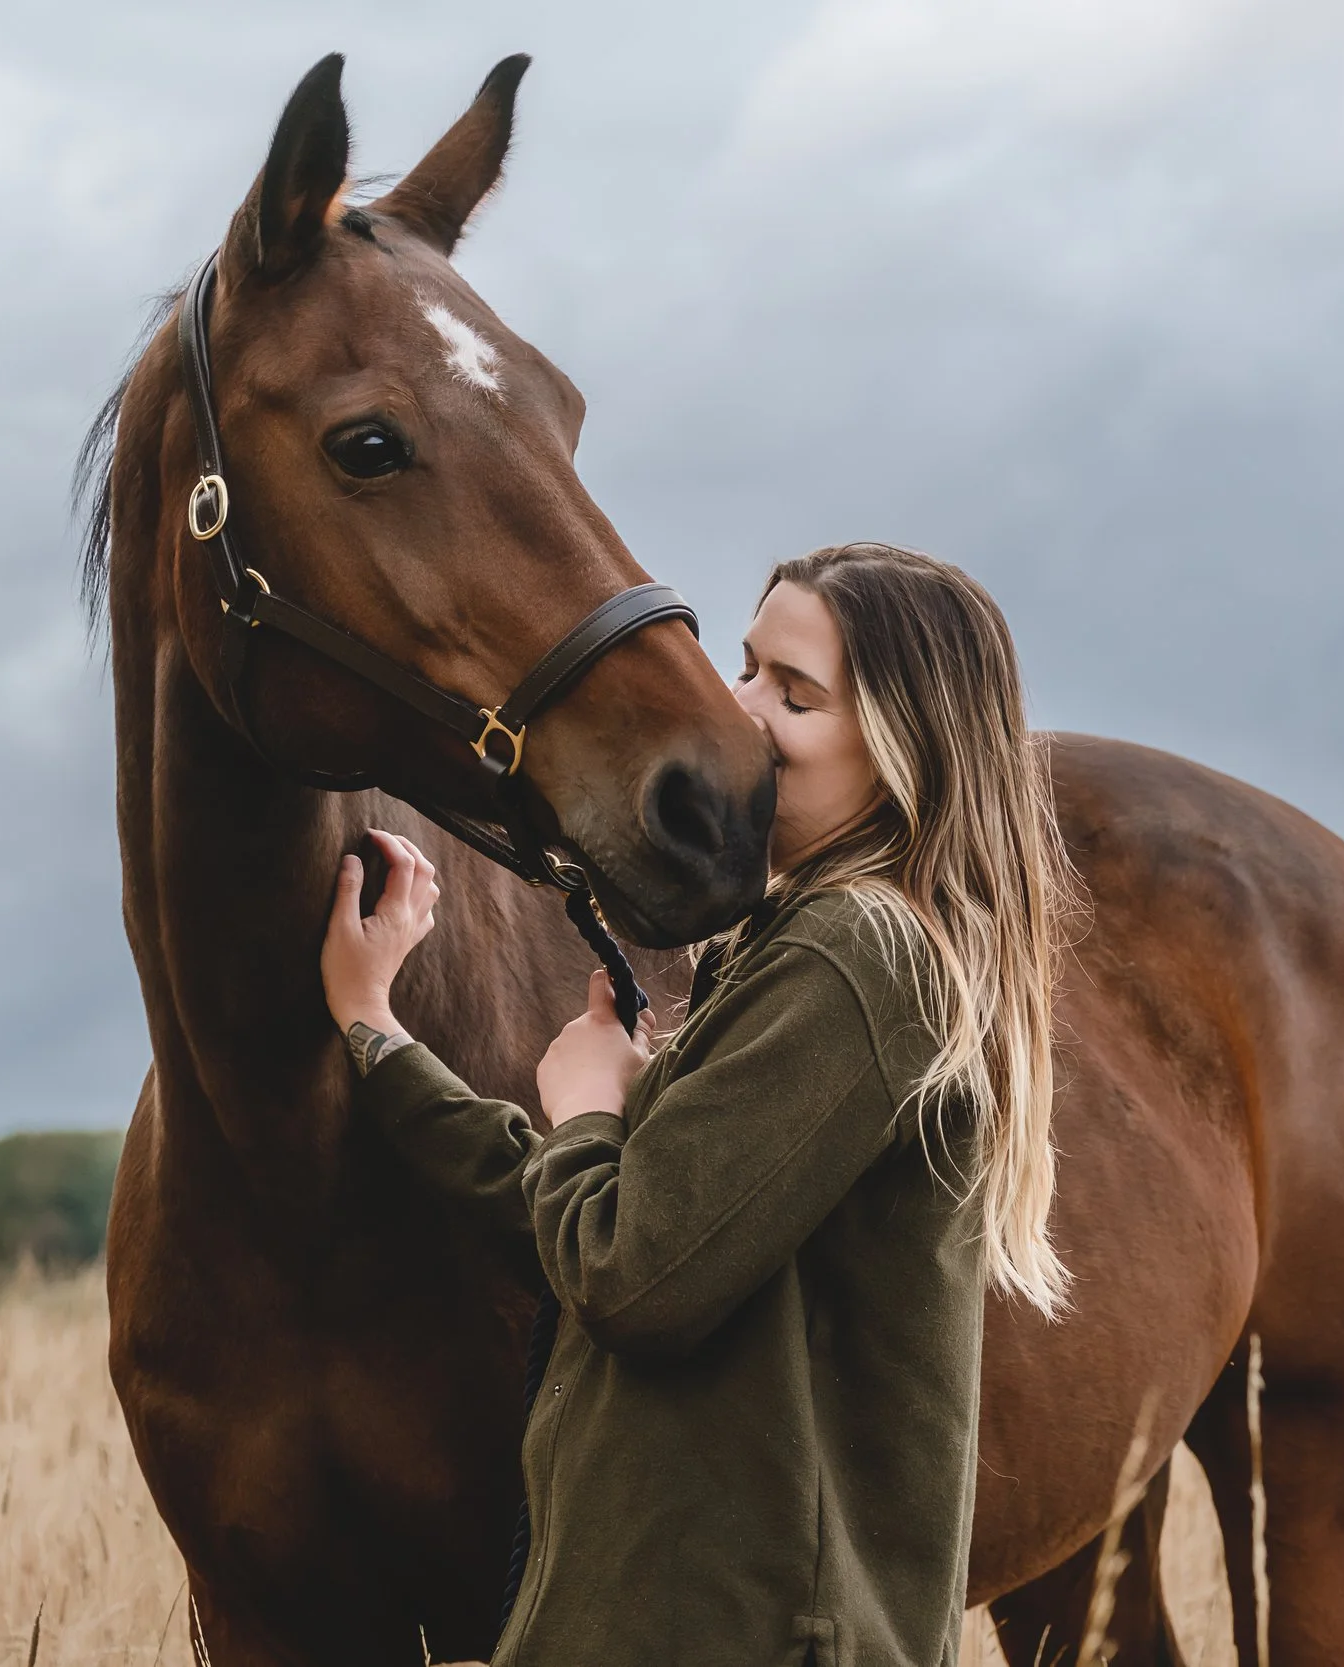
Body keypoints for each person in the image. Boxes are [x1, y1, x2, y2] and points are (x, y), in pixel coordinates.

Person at [320, 543, 1078, 1667]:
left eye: (795, 691)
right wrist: (378, 1033)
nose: (739, 711)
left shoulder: (855, 955)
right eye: (746, 666)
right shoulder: (800, 945)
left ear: (905, 743)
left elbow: (630, 1275)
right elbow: (587, 1224)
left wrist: (588, 1108)